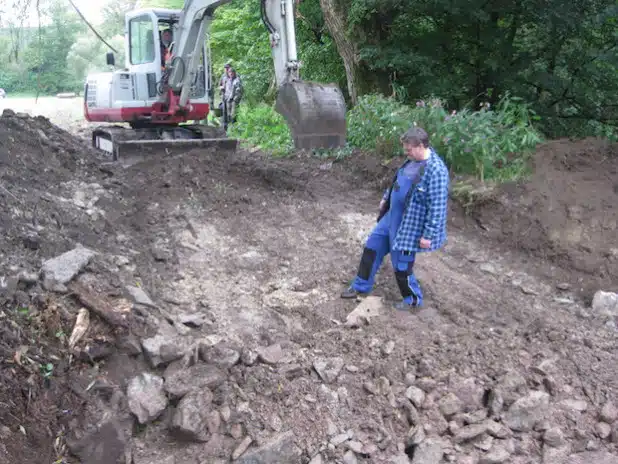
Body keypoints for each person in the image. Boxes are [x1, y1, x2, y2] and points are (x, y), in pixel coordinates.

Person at [341, 126, 450, 310]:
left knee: (401, 265)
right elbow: (398, 182)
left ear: (421, 145)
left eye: (409, 149)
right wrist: (386, 197)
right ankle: (360, 286)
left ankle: (412, 300)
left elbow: (438, 208)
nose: (406, 153)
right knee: (372, 248)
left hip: (409, 226)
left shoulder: (436, 171)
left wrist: (428, 235)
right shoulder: (411, 161)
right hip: (392, 217)